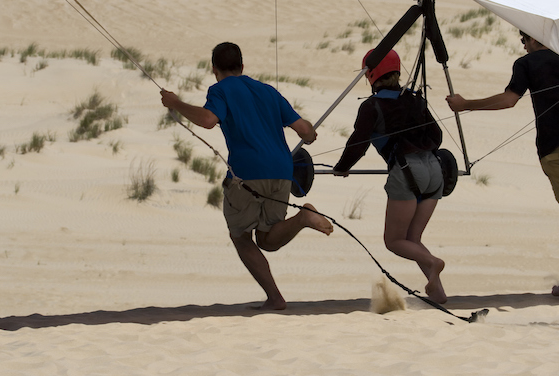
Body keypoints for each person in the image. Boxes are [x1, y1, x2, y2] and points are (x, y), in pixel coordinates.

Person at [446, 31, 559, 299]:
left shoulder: (527, 63)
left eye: (524, 40)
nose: (523, 46)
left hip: (558, 149)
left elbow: (509, 100)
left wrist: (466, 105)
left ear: (534, 37)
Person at [160, 42, 333, 311]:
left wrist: (175, 103)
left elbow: (208, 120)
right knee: (266, 239)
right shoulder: (268, 91)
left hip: (248, 173)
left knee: (240, 236)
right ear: (242, 67)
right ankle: (302, 218)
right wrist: (310, 135)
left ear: (214, 69)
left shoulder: (220, 89)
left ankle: (275, 296)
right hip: (282, 171)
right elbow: (305, 131)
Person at [333, 49, 448, 303]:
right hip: (434, 168)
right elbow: (437, 137)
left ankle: (433, 262)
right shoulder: (415, 99)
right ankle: (438, 292)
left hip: (407, 171)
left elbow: (358, 143)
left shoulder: (371, 106)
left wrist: (342, 166)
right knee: (413, 239)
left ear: (371, 75)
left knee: (394, 241)